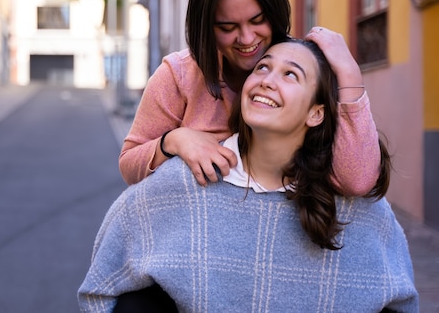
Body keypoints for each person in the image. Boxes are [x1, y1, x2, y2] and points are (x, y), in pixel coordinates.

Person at [78, 39, 418, 312]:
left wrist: (348, 74)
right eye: (263, 67)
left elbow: (400, 300)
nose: (267, 80)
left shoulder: (358, 209)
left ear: (316, 113)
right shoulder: (183, 181)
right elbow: (102, 287)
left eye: (290, 75)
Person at [120, 0, 380, 198]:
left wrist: (348, 73)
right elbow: (130, 166)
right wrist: (175, 140)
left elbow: (357, 181)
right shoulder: (178, 76)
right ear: (207, 26)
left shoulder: (305, 73)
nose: (246, 39)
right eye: (227, 27)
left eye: (258, 21)